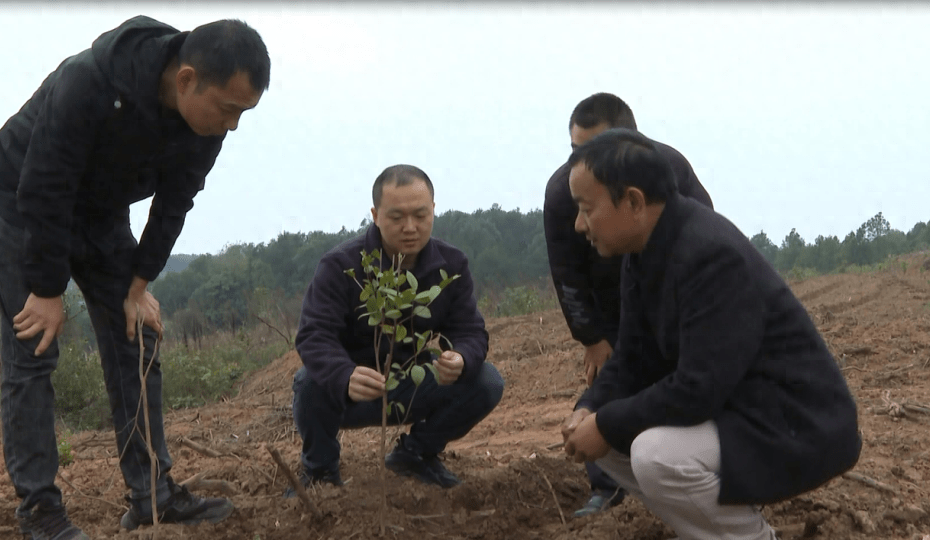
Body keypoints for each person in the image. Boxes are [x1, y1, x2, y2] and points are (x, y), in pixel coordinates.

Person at [0, 15, 270, 539]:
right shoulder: (90, 82)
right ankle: (40, 513)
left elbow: (174, 203)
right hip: (24, 200)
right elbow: (43, 184)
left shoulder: (203, 127)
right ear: (186, 80)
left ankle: (152, 496)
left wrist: (139, 286)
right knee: (33, 347)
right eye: (228, 109)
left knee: (136, 338)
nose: (232, 126)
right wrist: (47, 290)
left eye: (243, 114)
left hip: (101, 211)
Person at [561, 128, 862, 539]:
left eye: (585, 208)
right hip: (737, 413)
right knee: (607, 437)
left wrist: (607, 421)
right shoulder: (643, 254)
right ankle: (714, 528)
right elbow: (631, 359)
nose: (579, 225)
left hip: (794, 425)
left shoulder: (709, 256)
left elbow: (697, 389)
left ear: (632, 201)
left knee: (651, 455)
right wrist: (591, 406)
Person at [543, 92, 714, 518]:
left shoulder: (670, 169)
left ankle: (698, 476)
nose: (583, 161)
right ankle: (608, 487)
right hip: (611, 309)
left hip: (668, 299)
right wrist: (591, 338)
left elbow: (702, 233)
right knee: (608, 387)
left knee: (675, 384)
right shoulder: (563, 191)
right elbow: (566, 272)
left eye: (596, 148)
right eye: (575, 151)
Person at [290, 164, 504, 494]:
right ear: (375, 215)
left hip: (411, 384)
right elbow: (314, 334)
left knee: (485, 380)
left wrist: (461, 357)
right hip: (353, 392)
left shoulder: (451, 265)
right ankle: (320, 472)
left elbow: (470, 330)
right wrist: (344, 374)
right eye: (396, 217)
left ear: (433, 209)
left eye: (420, 215)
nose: (410, 227)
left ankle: (415, 454)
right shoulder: (342, 266)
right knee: (309, 382)